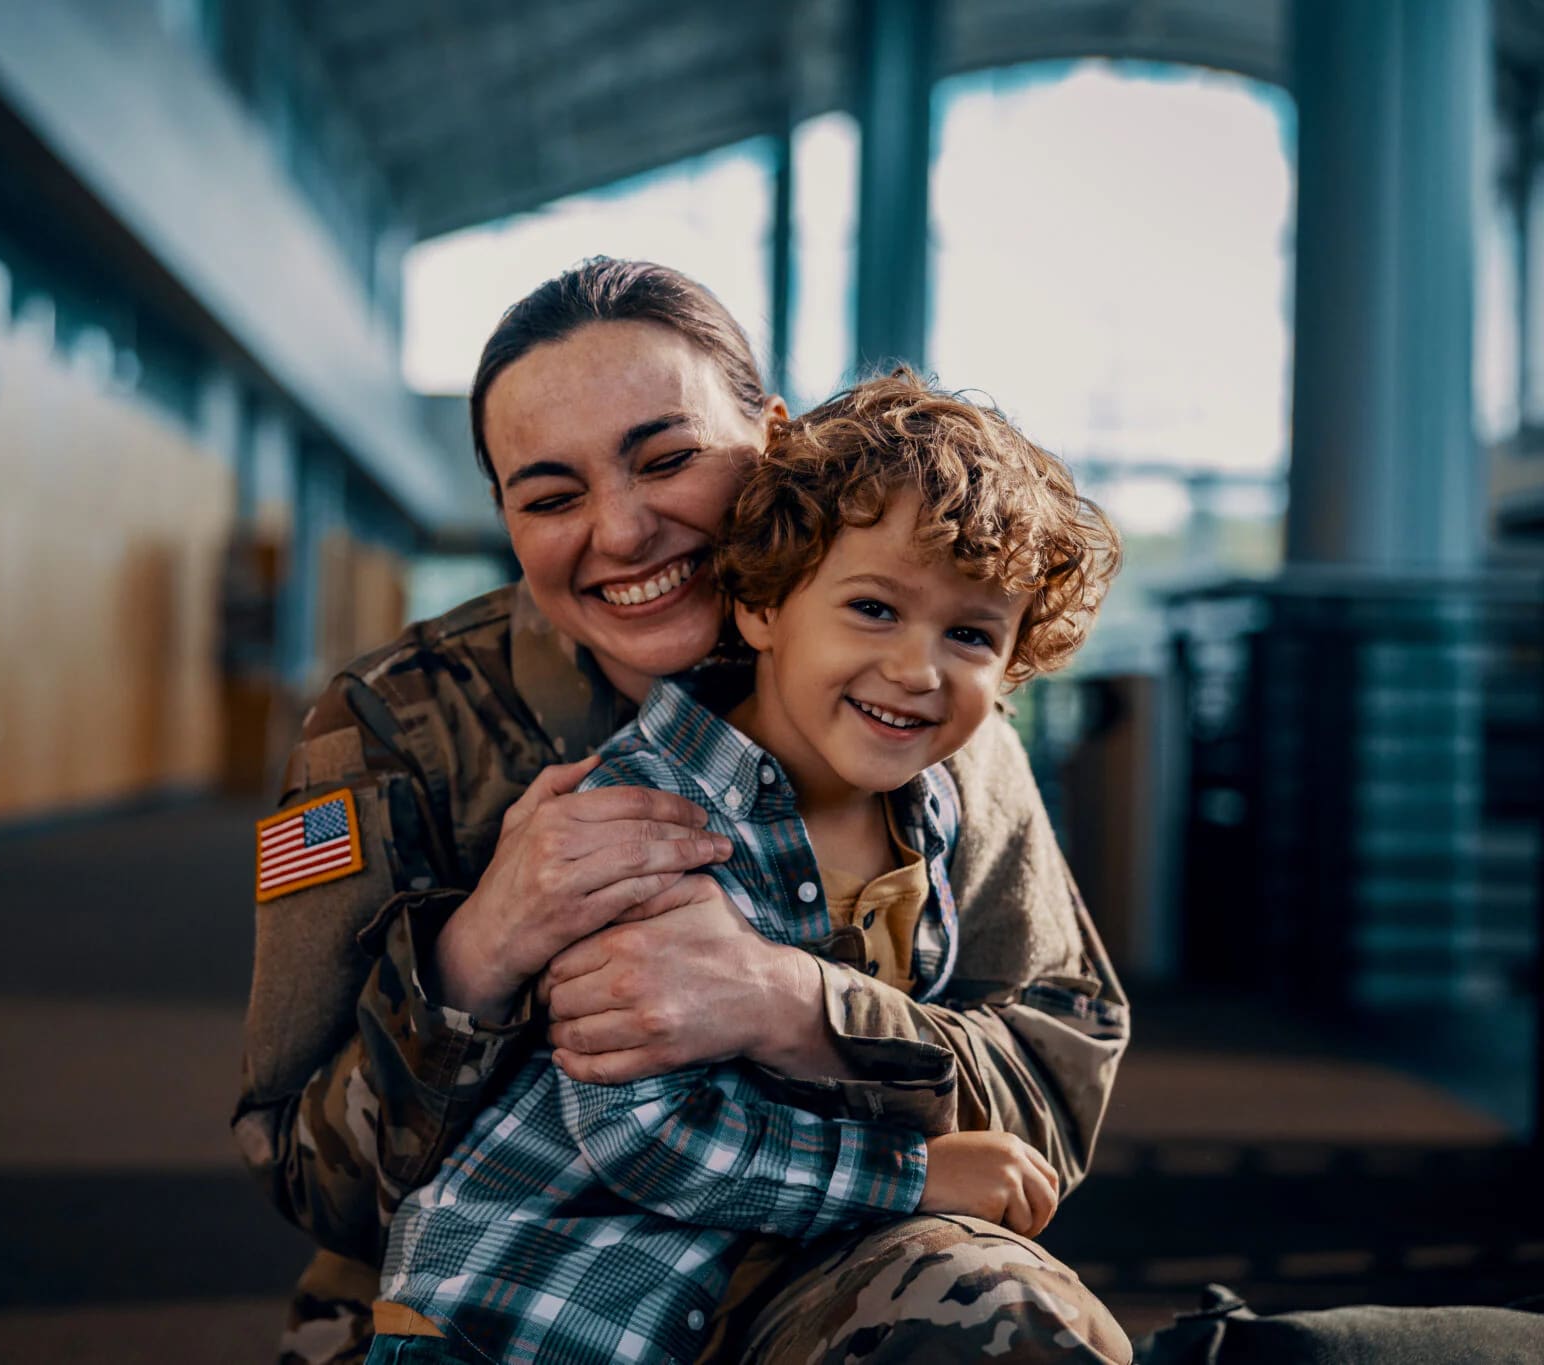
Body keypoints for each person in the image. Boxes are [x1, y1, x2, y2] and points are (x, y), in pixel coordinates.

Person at [233, 259, 1132, 1364]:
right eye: (551, 497)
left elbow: (1055, 1081)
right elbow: (297, 1168)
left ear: (770, 439)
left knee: (1001, 1321)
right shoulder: (392, 729)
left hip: (823, 1256)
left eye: (666, 460)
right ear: (506, 518)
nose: (619, 532)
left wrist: (802, 1005)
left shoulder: (924, 712)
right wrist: (475, 954)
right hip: (515, 1295)